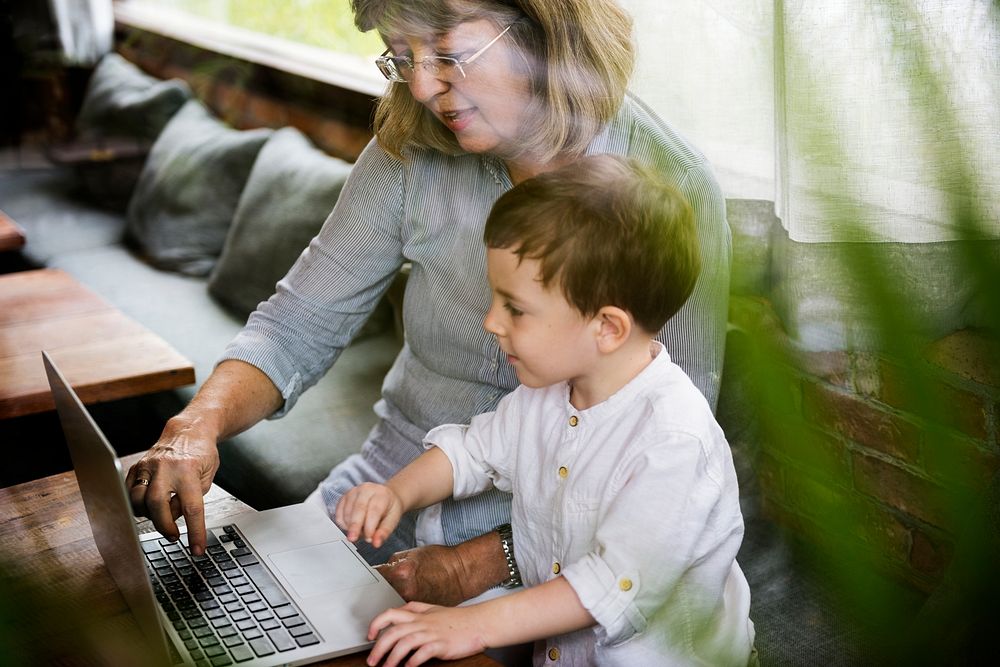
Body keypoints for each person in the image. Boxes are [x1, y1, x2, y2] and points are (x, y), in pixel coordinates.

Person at [126, 0, 732, 607]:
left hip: (554, 548)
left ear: (543, 29)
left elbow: (657, 467)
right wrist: (196, 426)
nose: (420, 86)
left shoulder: (675, 191)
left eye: (447, 55)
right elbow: (296, 324)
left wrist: (475, 564)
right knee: (213, 612)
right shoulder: (414, 144)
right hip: (392, 481)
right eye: (401, 57)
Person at [336, 154, 754, 667]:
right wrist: (395, 492)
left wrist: (469, 623)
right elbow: (469, 452)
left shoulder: (673, 441)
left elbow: (610, 585)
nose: (491, 321)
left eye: (514, 307)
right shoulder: (544, 396)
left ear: (608, 328)